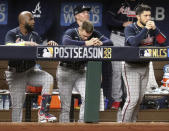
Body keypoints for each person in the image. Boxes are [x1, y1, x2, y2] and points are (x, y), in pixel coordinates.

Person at [5, 11, 58, 122]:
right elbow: (8, 46)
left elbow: (41, 50)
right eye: (31, 19)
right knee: (18, 107)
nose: (34, 21)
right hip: (16, 74)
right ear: (23, 21)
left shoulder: (35, 35)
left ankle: (43, 113)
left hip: (31, 71)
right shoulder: (12, 33)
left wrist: (49, 45)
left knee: (48, 79)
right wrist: (25, 44)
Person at [57, 20, 113, 122]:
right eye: (84, 35)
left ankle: (81, 125)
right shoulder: (71, 32)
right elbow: (66, 42)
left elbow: (110, 42)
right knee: (66, 105)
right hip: (65, 70)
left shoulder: (95, 33)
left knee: (88, 97)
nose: (86, 37)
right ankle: (64, 127)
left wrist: (101, 42)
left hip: (81, 71)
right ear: (80, 29)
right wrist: (86, 42)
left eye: (88, 36)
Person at [122, 4, 167, 122]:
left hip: (145, 66)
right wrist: (145, 29)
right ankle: (122, 126)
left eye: (149, 15)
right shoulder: (130, 28)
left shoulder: (152, 29)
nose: (148, 18)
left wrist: (155, 29)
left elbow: (163, 43)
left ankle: (133, 125)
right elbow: (133, 43)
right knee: (132, 99)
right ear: (138, 16)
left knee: (139, 100)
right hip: (131, 67)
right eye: (145, 15)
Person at [106, 0, 144, 110]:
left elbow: (146, 21)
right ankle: (117, 100)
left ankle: (130, 99)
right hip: (117, 36)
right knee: (117, 70)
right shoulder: (117, 3)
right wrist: (122, 24)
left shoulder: (141, 4)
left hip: (132, 38)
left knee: (131, 69)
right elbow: (108, 19)